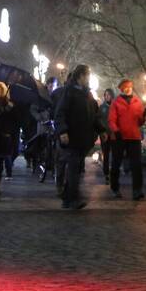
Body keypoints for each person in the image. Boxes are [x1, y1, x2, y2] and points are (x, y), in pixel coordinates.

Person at [54, 65, 104, 210]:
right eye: (87, 75)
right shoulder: (69, 92)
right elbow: (60, 113)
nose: (88, 78)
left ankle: (67, 197)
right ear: (80, 76)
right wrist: (63, 131)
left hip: (83, 138)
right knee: (74, 168)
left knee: (76, 168)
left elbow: (93, 115)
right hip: (72, 137)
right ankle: (73, 199)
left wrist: (102, 130)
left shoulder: (87, 94)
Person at [107, 79, 146, 200]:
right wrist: (116, 130)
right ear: (121, 89)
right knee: (116, 163)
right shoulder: (116, 102)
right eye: (126, 87)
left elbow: (140, 120)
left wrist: (143, 118)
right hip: (119, 137)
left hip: (134, 137)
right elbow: (111, 119)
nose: (128, 89)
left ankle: (137, 190)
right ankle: (114, 188)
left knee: (137, 165)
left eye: (130, 86)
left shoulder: (137, 102)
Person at [98, 88, 116, 178]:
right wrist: (102, 130)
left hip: (113, 134)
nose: (106, 96)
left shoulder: (115, 106)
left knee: (114, 153)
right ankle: (106, 172)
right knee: (105, 153)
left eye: (108, 94)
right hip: (104, 134)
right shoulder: (102, 107)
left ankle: (113, 171)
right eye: (105, 95)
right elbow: (99, 119)